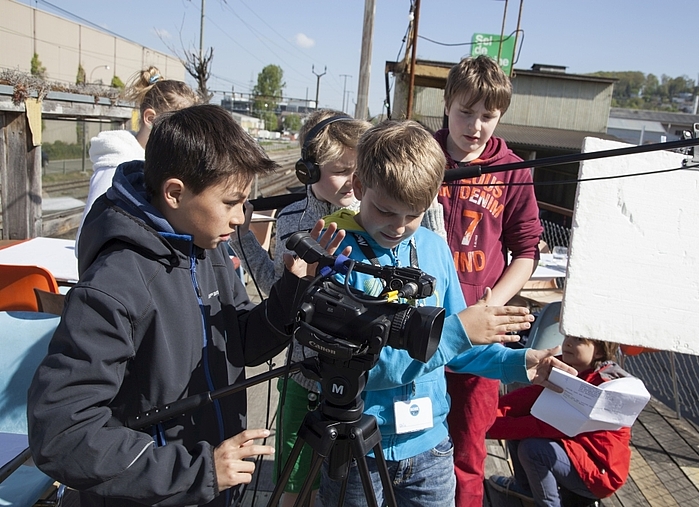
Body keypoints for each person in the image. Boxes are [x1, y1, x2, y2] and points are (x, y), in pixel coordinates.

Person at [27, 105, 313, 507]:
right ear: (175, 193)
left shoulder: (203, 244)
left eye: (245, 204)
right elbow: (61, 432)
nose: (240, 220)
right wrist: (200, 471)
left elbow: (238, 343)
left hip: (211, 487)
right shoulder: (115, 283)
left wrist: (292, 291)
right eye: (231, 203)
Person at [314, 120, 571, 507]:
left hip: (431, 447)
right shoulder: (337, 253)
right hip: (359, 450)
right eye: (385, 211)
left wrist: (522, 365)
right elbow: (367, 369)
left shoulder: (434, 248)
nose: (399, 227)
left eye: (412, 214)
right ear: (361, 188)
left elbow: (460, 350)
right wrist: (459, 331)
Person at [229, 108, 371, 507]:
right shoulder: (291, 219)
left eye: (358, 170)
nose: (352, 181)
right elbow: (275, 288)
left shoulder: (375, 215)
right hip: (304, 376)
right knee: (295, 484)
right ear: (309, 172)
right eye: (341, 170)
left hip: (361, 378)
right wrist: (243, 237)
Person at [434, 54, 544, 507]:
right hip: (422, 319)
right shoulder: (420, 156)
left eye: (487, 116)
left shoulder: (514, 170)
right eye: (465, 112)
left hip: (481, 333)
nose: (475, 126)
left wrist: (490, 306)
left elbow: (528, 251)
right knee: (404, 432)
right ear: (445, 103)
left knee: (467, 448)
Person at [487, 336, 633, 507]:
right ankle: (525, 487)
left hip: (600, 474)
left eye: (579, 339)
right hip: (576, 451)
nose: (569, 342)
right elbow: (525, 400)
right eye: (568, 337)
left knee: (533, 449)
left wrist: (483, 427)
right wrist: (484, 415)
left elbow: (542, 425)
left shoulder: (598, 389)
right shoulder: (567, 370)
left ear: (599, 350)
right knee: (522, 434)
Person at [75, 65, 198, 256]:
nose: (187, 135)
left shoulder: (161, 162)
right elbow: (87, 236)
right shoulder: (116, 166)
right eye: (178, 124)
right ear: (150, 118)